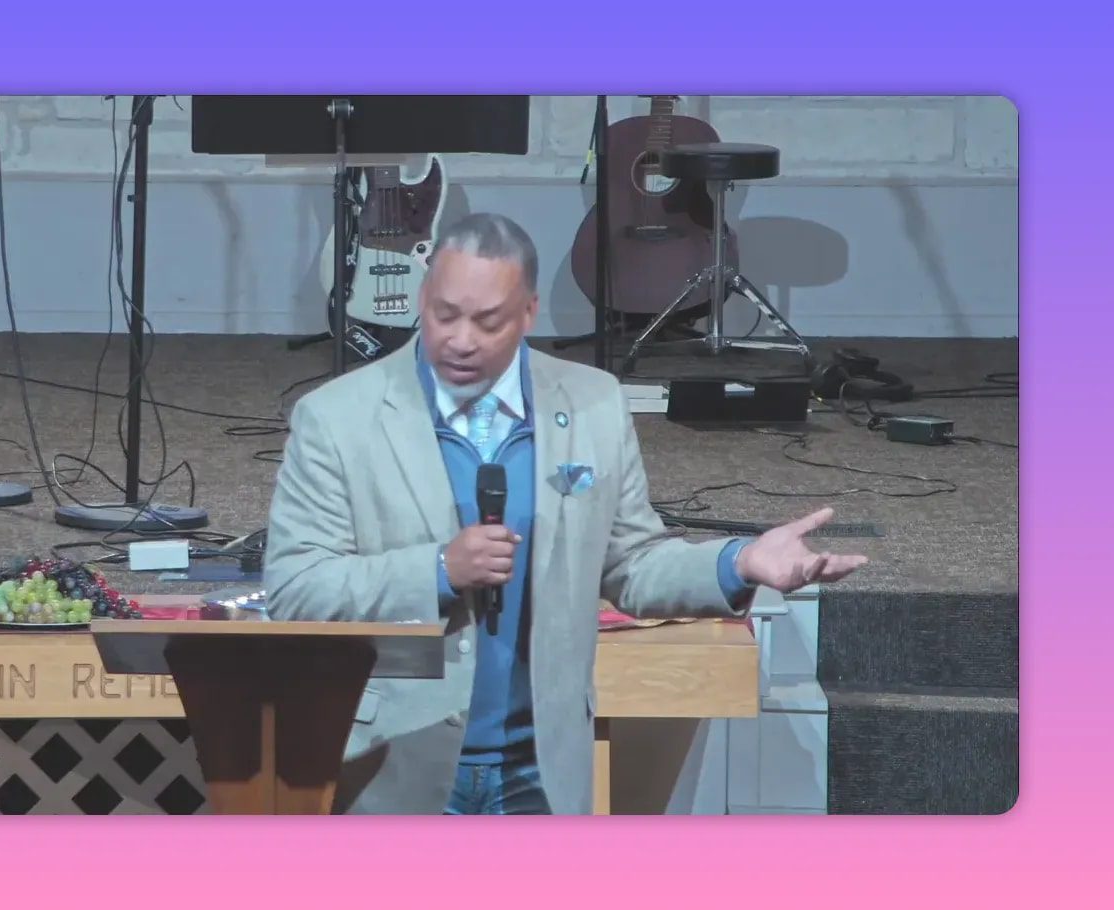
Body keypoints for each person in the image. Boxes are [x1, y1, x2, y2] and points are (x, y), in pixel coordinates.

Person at [261, 212, 867, 815]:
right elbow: (296, 588)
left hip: (541, 771)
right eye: (445, 314)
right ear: (422, 298)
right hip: (393, 767)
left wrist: (740, 563)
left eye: (488, 320)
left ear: (528, 312)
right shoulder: (337, 417)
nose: (461, 338)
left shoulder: (593, 404)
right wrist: (439, 569)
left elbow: (630, 564)